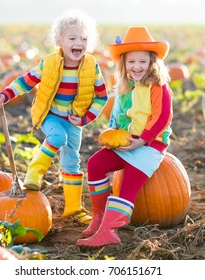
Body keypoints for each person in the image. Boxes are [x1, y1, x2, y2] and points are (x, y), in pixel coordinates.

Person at [0, 10, 108, 224]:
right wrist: (6, 94)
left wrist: (84, 119)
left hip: (74, 121)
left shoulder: (92, 66)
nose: (79, 43)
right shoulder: (49, 63)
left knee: (72, 162)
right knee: (56, 139)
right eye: (72, 38)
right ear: (59, 41)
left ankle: (73, 209)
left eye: (84, 39)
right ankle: (34, 173)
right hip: (51, 115)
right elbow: (26, 81)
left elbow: (102, 96)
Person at [76, 26, 173, 247]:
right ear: (124, 63)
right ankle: (99, 218)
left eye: (142, 62)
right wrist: (111, 134)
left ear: (152, 62)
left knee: (128, 184)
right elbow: (118, 115)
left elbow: (162, 118)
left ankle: (109, 232)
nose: (137, 67)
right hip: (128, 141)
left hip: (150, 146)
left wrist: (143, 139)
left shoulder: (158, 87)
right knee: (96, 163)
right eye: (132, 62)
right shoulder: (125, 86)